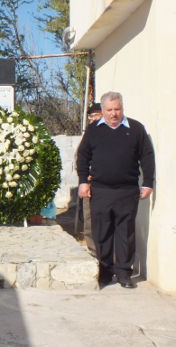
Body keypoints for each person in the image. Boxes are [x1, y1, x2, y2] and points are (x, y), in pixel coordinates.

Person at [77, 92, 155, 289]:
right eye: (109, 110)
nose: (114, 114)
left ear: (122, 108)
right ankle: (104, 272)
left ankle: (124, 273)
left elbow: (147, 156)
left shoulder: (136, 129)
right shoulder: (94, 130)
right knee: (102, 233)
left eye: (117, 109)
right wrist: (82, 182)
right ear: (102, 111)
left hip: (127, 191)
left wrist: (147, 183)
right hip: (100, 190)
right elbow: (83, 157)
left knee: (125, 233)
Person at [80, 103, 103, 256]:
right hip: (89, 184)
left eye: (96, 115)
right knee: (89, 221)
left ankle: (108, 258)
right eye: (91, 116)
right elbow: (81, 156)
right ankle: (94, 253)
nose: (93, 119)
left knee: (104, 222)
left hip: (104, 184)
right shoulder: (89, 132)